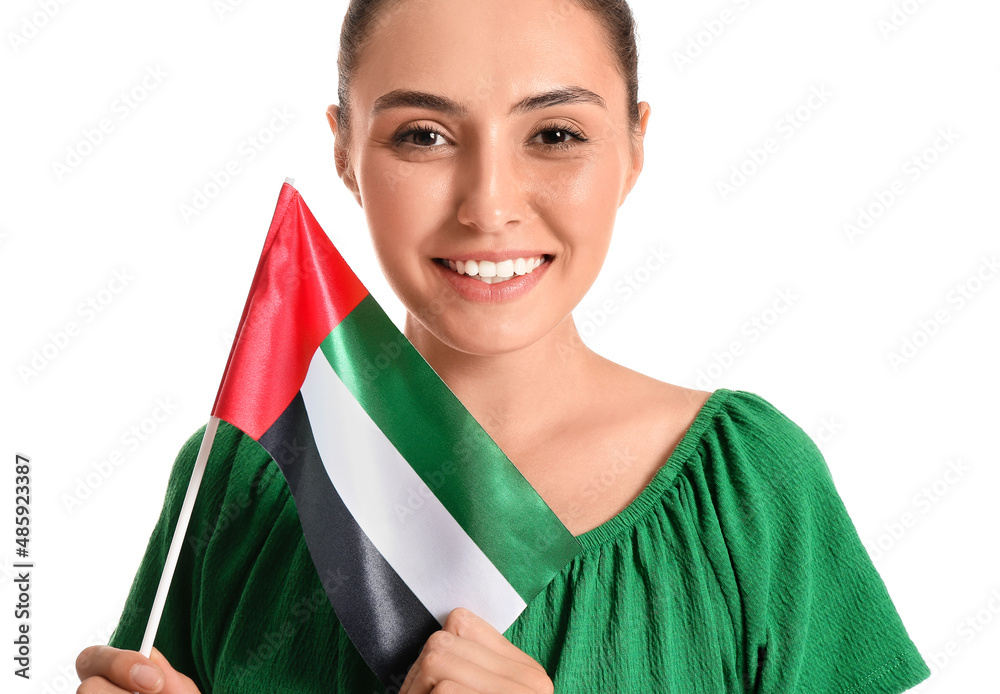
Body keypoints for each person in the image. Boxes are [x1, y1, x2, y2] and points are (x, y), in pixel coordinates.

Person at [76, 0, 932, 692]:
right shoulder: (243, 475)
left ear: (635, 145)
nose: (488, 205)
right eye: (423, 135)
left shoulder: (748, 490)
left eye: (555, 134)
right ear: (344, 147)